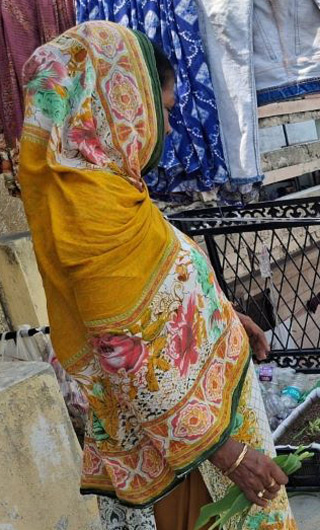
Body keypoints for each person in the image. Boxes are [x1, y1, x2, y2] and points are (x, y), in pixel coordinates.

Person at [17, 21, 295, 530]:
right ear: (119, 105)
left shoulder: (111, 189)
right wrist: (227, 453)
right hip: (187, 458)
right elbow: (123, 353)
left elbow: (159, 295)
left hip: (203, 434)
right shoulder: (90, 216)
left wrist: (225, 319)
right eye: (161, 111)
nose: (166, 130)